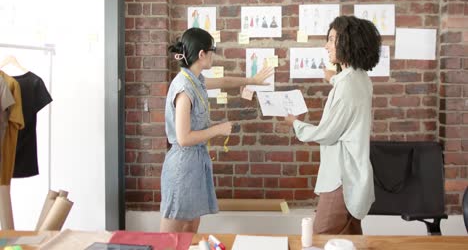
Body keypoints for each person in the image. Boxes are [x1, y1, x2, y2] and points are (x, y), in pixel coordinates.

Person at [160, 27, 273, 233]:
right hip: (182, 166)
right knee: (171, 233)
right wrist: (219, 129)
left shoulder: (196, 81)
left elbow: (223, 82)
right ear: (202, 54)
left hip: (195, 163)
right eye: (212, 50)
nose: (214, 54)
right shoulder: (184, 88)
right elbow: (183, 138)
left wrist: (252, 81)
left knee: (191, 226)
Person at [284, 15, 381, 235]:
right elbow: (347, 94)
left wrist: (295, 123)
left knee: (320, 239)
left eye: (331, 39)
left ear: (347, 42)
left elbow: (326, 133)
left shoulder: (346, 84)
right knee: (348, 241)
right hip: (354, 177)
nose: (326, 45)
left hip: (341, 179)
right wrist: (332, 78)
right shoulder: (361, 78)